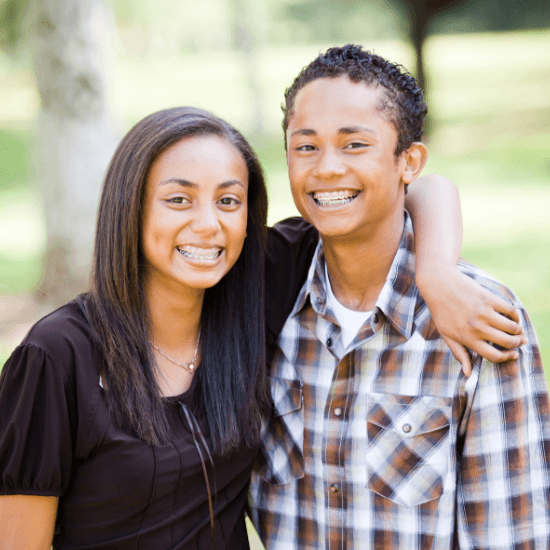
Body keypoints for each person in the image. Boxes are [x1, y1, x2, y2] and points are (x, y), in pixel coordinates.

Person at [0, 108, 524, 547]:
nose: (208, 224)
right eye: (178, 199)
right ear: (129, 209)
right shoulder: (58, 355)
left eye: (229, 201)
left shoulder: (259, 290)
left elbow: (418, 186)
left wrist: (434, 273)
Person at [249, 45, 550, 549]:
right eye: (306, 147)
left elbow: (512, 533)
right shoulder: (266, 301)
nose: (326, 168)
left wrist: (434, 273)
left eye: (354, 145)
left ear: (408, 161)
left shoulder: (476, 317)